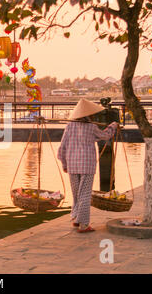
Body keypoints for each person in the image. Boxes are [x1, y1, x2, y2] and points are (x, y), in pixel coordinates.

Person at [57, 98, 119, 233]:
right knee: (84, 194)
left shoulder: (69, 127)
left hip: (72, 165)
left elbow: (62, 148)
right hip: (87, 165)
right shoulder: (92, 127)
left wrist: (64, 164)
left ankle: (76, 219)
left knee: (76, 194)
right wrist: (113, 125)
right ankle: (84, 225)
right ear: (89, 115)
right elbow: (105, 135)